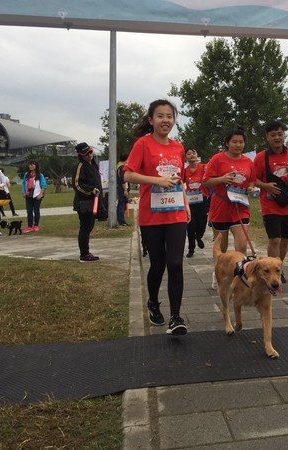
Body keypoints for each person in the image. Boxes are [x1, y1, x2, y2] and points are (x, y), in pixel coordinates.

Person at [123, 99, 190, 336]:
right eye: (160, 116)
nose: (165, 120)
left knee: (175, 263)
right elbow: (128, 174)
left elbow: (179, 178)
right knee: (158, 264)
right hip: (151, 215)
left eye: (169, 116)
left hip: (176, 212)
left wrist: (185, 202)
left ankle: (175, 317)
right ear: (151, 120)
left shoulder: (178, 147)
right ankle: (152, 301)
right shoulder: (143, 144)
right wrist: (156, 181)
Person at [253, 120, 288, 282]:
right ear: (267, 137)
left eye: (280, 134)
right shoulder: (260, 157)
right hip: (270, 205)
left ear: (284, 135)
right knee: (275, 239)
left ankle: (278, 269)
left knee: (285, 240)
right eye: (273, 135)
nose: (277, 137)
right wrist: (265, 186)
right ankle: (269, 273)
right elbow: (252, 179)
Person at [203, 127, 256, 255]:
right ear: (227, 143)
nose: (238, 145)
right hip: (220, 207)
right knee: (221, 248)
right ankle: (219, 273)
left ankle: (239, 273)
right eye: (234, 142)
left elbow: (251, 180)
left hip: (240, 207)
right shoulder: (217, 159)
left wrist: (251, 187)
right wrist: (221, 179)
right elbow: (205, 181)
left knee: (242, 246)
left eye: (241, 142)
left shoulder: (248, 162)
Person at [72, 142, 103, 262]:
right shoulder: (80, 166)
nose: (89, 155)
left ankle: (86, 252)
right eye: (86, 154)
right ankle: (84, 254)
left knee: (89, 226)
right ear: (81, 155)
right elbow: (77, 184)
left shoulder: (94, 165)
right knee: (85, 228)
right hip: (83, 203)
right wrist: (90, 190)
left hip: (94, 201)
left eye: (90, 152)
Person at [183, 148, 209, 257]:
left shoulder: (204, 167)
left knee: (201, 225)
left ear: (197, 155)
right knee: (190, 226)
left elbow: (210, 178)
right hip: (190, 201)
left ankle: (199, 237)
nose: (192, 155)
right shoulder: (185, 171)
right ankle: (191, 249)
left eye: (194, 153)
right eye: (189, 154)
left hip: (202, 200)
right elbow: (180, 183)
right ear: (186, 157)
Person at [21, 160, 46, 233]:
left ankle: (36, 225)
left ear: (36, 166)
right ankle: (29, 226)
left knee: (36, 210)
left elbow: (43, 185)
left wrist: (40, 194)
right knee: (29, 211)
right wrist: (23, 192)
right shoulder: (26, 174)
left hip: (37, 195)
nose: (31, 166)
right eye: (30, 165)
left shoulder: (40, 175)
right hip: (29, 195)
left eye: (32, 165)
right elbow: (23, 184)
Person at [116, 154, 130, 226]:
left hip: (120, 188)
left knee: (122, 205)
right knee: (121, 205)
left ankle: (121, 220)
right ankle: (121, 221)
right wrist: (125, 190)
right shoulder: (122, 167)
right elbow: (122, 180)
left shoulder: (119, 166)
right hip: (121, 189)